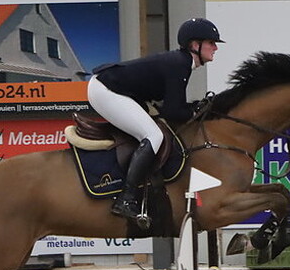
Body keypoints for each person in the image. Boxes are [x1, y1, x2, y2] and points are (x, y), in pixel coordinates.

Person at [87, 17, 224, 220]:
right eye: (211, 43)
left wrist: (194, 108)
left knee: (154, 131)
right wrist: (197, 111)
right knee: (153, 135)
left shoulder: (182, 63)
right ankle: (126, 198)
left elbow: (170, 107)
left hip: (116, 90)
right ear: (195, 45)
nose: (215, 48)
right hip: (106, 91)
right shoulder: (180, 64)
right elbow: (173, 112)